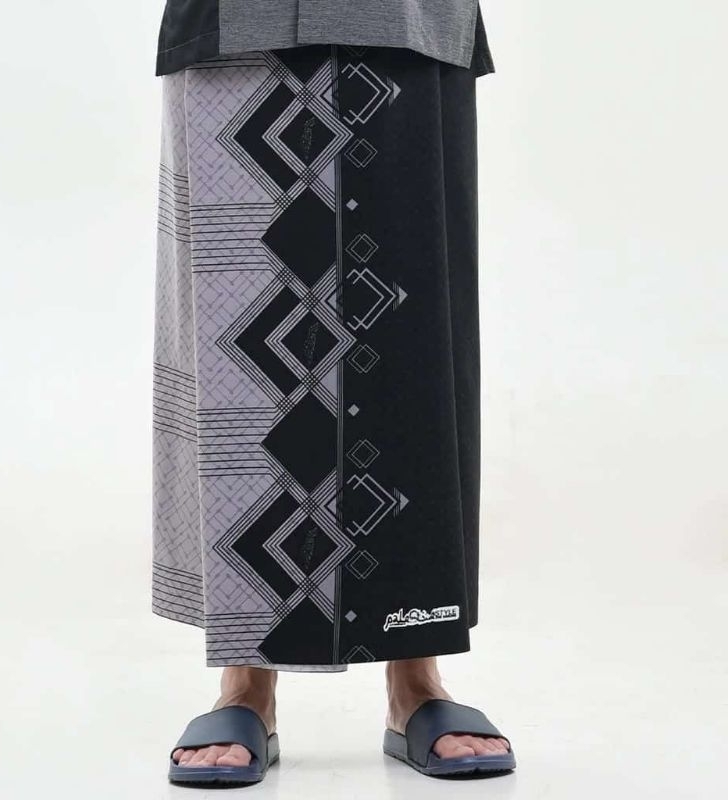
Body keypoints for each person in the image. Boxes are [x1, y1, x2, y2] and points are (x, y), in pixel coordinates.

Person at [151, 0, 515, 784]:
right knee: (244, 337)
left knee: (412, 329)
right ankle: (246, 682)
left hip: (407, 21)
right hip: (238, 22)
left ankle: (417, 677)